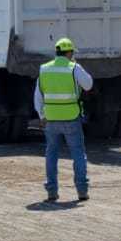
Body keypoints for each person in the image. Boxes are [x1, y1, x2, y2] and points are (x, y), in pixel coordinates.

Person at [34, 37, 94, 203]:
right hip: (71, 117)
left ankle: (52, 192)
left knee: (51, 154)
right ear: (69, 53)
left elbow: (38, 96)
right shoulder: (74, 68)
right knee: (78, 153)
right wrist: (77, 67)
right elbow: (88, 84)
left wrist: (42, 116)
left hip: (51, 119)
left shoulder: (44, 69)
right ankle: (82, 191)